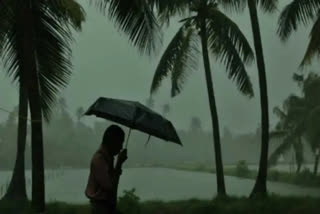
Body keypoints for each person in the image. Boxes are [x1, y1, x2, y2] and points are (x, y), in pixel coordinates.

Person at [85, 125, 128, 214]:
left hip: (107, 207)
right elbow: (110, 187)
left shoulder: (108, 158)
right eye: (120, 142)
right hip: (100, 208)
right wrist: (119, 163)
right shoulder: (99, 159)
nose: (121, 147)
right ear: (112, 142)